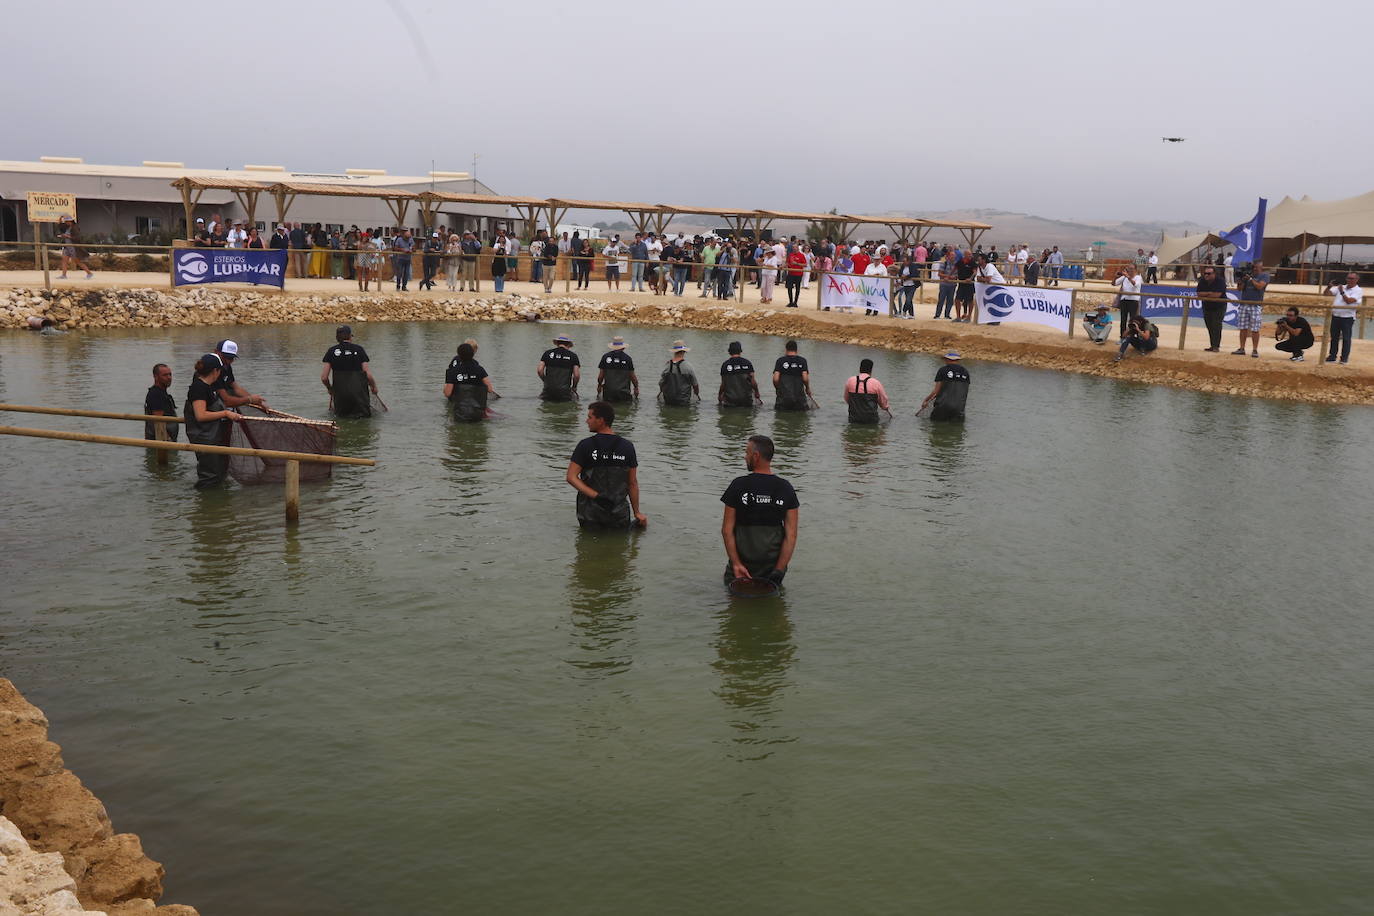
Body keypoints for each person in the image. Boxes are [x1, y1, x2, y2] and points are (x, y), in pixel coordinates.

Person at [720, 435, 799, 587]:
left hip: (740, 568)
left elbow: (726, 530)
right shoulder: (785, 488)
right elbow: (791, 535)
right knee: (773, 607)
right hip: (771, 569)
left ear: (756, 456)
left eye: (747, 452)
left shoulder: (738, 485)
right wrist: (779, 570)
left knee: (735, 607)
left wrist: (736, 564)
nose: (745, 457)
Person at [566, 400, 647, 529]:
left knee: (589, 547)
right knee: (619, 547)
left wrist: (596, 496)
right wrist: (637, 512)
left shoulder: (585, 445)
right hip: (618, 512)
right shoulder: (627, 447)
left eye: (590, 417)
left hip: (589, 514)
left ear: (601, 420)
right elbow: (632, 483)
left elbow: (571, 477)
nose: (587, 421)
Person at [184, 352, 246, 489]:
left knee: (218, 473)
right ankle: (205, 506)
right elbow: (200, 415)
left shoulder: (209, 387)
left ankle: (216, 508)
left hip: (213, 435)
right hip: (204, 438)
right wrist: (225, 413)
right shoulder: (198, 387)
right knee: (209, 476)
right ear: (215, 371)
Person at [321, 325, 378, 418]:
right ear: (350, 336)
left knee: (342, 420)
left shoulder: (331, 351)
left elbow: (324, 378)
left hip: (340, 396)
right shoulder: (359, 350)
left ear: (337, 338)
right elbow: (367, 374)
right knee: (362, 421)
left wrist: (330, 389)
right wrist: (374, 387)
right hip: (359, 395)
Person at [443, 341, 497, 421]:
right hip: (478, 413)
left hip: (460, 414)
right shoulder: (479, 369)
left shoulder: (452, 372)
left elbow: (448, 394)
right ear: (473, 354)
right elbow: (490, 389)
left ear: (459, 355)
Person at [211, 340, 268, 410]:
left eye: (231, 358)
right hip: (211, 404)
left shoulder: (226, 366)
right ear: (216, 352)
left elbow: (236, 388)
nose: (229, 361)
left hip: (220, 400)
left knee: (231, 391)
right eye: (226, 357)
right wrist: (250, 399)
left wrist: (258, 402)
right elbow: (227, 401)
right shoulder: (213, 370)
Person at [1233, 262, 1270, 358]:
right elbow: (1239, 289)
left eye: (1257, 267)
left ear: (1261, 267)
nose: (1255, 269)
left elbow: (1260, 286)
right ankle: (1242, 348)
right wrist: (1242, 280)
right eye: (1254, 267)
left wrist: (1250, 279)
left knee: (1255, 329)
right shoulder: (1247, 276)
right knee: (1243, 328)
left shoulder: (1264, 276)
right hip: (1244, 304)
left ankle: (1255, 349)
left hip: (1255, 305)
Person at [1324, 272, 1363, 364]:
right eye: (1348, 278)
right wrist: (1329, 287)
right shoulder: (1341, 287)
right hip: (1336, 316)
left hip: (1347, 317)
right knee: (1334, 337)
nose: (1349, 280)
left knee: (1346, 338)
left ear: (1357, 280)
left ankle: (1344, 358)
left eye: (1352, 278)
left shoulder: (1358, 290)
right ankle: (1332, 356)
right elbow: (1326, 294)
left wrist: (1342, 292)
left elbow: (1349, 301)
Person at [920, 351, 970, 421]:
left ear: (947, 359)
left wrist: (926, 401)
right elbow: (964, 392)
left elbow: (936, 392)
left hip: (942, 407)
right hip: (959, 409)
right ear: (958, 360)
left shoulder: (943, 370)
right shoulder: (966, 372)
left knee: (936, 429)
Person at [844, 358, 890, 424]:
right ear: (871, 370)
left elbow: (846, 399)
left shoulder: (850, 381)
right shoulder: (876, 383)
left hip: (853, 418)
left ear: (860, 368)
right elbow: (883, 402)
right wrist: (885, 408)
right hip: (871, 420)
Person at [1194, 265, 1229, 352]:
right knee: (1209, 325)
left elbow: (1217, 295)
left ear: (1214, 274)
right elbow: (1198, 293)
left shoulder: (1220, 281)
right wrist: (1210, 293)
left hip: (1219, 306)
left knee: (1216, 325)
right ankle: (1212, 345)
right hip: (1207, 306)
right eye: (1205, 273)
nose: (1206, 275)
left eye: (1209, 273)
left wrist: (1206, 294)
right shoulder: (1202, 280)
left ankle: (1216, 346)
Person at [718, 341, 763, 407]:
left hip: (730, 401)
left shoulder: (725, 365)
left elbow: (723, 384)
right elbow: (753, 382)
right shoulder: (747, 363)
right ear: (740, 351)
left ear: (729, 351)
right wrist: (757, 392)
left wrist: (719, 395)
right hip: (746, 401)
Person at [596, 335, 639, 403]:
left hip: (608, 393)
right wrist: (636, 388)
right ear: (623, 347)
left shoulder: (605, 357)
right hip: (624, 393)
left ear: (613, 346)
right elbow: (633, 377)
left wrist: (599, 386)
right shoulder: (627, 358)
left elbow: (601, 376)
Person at [537, 333, 581, 400]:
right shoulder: (573, 356)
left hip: (548, 390)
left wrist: (546, 381)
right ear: (569, 344)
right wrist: (574, 387)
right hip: (564, 392)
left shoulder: (547, 353)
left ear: (557, 343)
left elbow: (540, 370)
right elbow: (576, 375)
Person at [772, 340, 813, 411]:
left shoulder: (780, 361)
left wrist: (778, 389)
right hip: (799, 400)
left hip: (783, 400)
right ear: (796, 349)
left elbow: (775, 379)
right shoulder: (802, 361)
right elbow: (805, 378)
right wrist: (807, 388)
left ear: (786, 349)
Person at [143, 363, 179, 442]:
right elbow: (158, 420)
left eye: (170, 374)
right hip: (161, 440)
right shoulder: (156, 394)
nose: (169, 377)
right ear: (156, 377)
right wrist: (168, 440)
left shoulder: (162, 393)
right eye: (165, 375)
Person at [658, 340, 699, 406]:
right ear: (684, 352)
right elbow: (695, 385)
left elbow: (661, 383)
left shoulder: (667, 366)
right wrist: (697, 394)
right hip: (684, 401)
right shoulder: (688, 366)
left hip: (668, 400)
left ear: (674, 352)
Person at [1113, 264, 1143, 337]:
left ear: (1135, 269)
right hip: (1124, 300)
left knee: (1133, 320)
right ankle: (1122, 337)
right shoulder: (1124, 277)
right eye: (1129, 268)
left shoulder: (1138, 277)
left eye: (1131, 268)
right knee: (1123, 320)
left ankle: (1132, 337)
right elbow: (1114, 284)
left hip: (1134, 301)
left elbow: (1135, 284)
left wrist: (1128, 277)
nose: (1130, 270)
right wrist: (1115, 277)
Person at [936, 248, 957, 319]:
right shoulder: (943, 263)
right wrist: (948, 276)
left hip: (952, 285)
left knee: (950, 300)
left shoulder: (956, 265)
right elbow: (939, 274)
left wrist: (953, 277)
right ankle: (937, 314)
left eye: (954, 256)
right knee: (941, 300)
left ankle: (947, 315)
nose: (953, 257)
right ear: (948, 256)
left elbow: (958, 275)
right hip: (944, 285)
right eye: (952, 255)